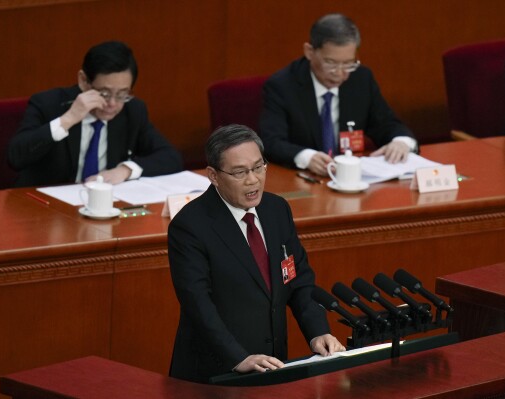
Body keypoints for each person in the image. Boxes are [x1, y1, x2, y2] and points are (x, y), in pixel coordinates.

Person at [168, 124, 345, 383]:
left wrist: (318, 332)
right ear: (213, 176)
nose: (253, 180)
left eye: (258, 167)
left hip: (271, 366)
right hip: (215, 373)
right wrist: (237, 357)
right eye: (239, 172)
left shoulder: (276, 209)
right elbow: (198, 305)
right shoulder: (190, 226)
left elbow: (298, 280)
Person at [260, 13, 417, 177]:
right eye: (330, 63)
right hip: (306, 179)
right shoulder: (282, 85)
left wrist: (401, 141)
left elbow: (386, 124)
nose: (340, 73)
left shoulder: (361, 79)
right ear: (309, 51)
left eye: (348, 64)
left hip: (351, 179)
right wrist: (307, 157)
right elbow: (271, 141)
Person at [8, 41, 182, 187]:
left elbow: (170, 157)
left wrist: (124, 170)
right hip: (46, 210)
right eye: (104, 93)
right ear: (84, 81)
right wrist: (68, 119)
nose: (112, 104)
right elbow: (15, 157)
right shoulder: (49, 104)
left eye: (122, 94)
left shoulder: (133, 110)